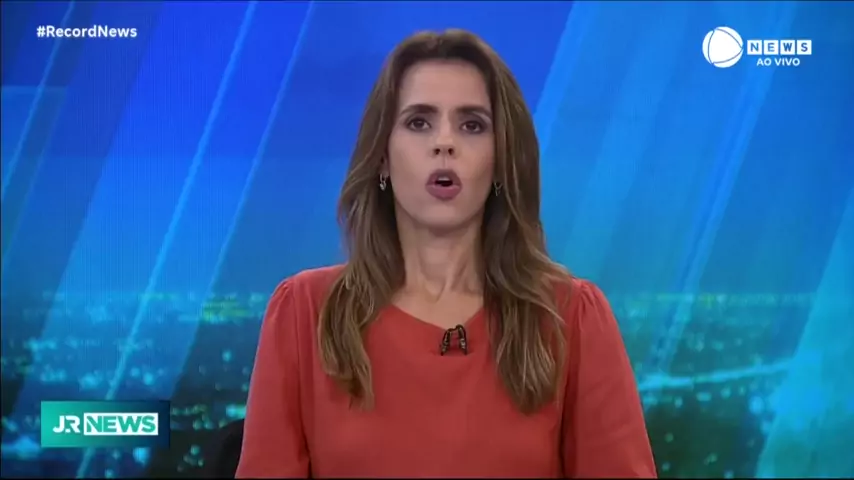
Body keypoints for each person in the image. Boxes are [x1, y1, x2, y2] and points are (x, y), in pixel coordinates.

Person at [236, 29, 656, 478]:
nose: (444, 143)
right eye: (419, 122)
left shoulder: (569, 317)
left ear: (500, 160)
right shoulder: (305, 313)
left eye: (471, 125)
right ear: (382, 157)